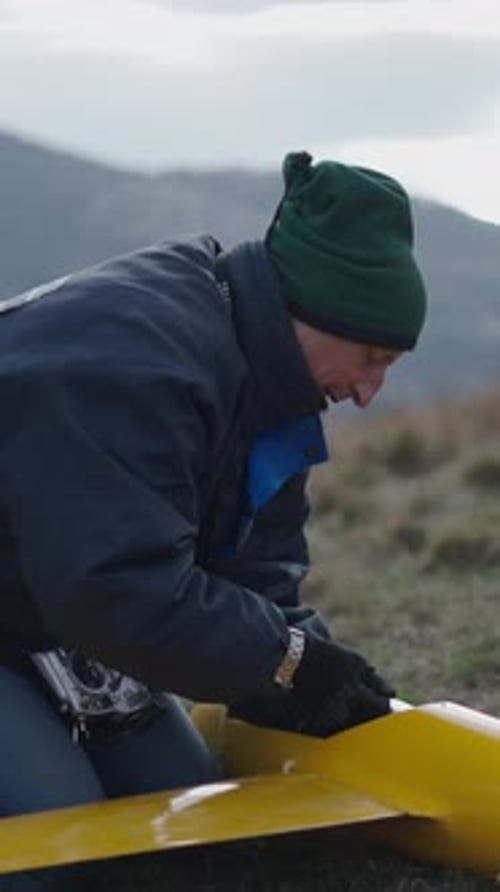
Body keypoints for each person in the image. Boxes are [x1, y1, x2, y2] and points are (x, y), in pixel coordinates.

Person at [0, 150, 426, 888]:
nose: (368, 392)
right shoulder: (130, 370)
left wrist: (320, 684)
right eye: (371, 357)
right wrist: (284, 661)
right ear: (314, 312)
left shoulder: (267, 376)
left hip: (43, 602)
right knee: (57, 850)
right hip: (66, 597)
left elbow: (258, 572)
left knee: (194, 827)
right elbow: (118, 590)